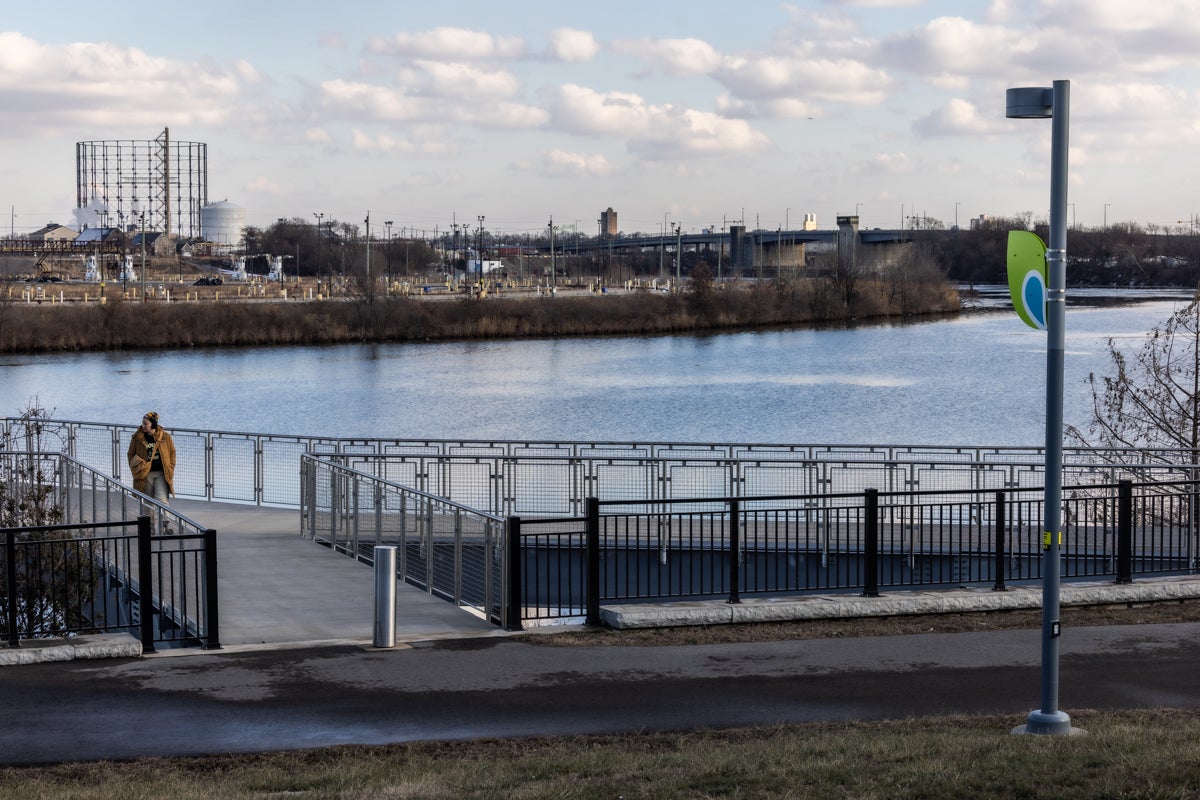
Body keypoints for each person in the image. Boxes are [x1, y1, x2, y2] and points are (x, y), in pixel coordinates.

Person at [127, 411, 176, 530]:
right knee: (148, 502)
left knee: (162, 499)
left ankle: (165, 525)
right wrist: (136, 467)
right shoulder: (137, 437)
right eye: (143, 424)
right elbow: (130, 454)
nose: (143, 426)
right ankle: (150, 526)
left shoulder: (165, 436)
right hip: (145, 474)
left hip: (161, 473)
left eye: (146, 424)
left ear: (153, 424)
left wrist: (171, 466)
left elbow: (172, 452)